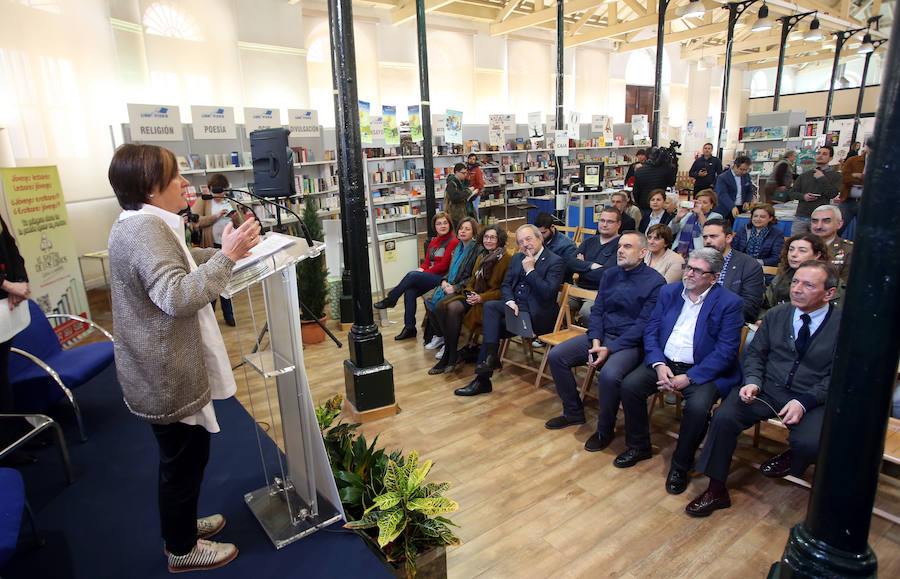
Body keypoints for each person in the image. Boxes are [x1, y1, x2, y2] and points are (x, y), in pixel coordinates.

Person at [107, 143, 260, 572]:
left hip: (158, 368)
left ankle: (182, 526)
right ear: (152, 188)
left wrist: (227, 254)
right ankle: (182, 547)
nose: (185, 184)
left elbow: (184, 260)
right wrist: (227, 256)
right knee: (183, 461)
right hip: (165, 373)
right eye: (175, 177)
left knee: (184, 459)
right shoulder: (144, 231)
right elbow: (175, 295)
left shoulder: (143, 223)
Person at [686, 261, 841, 517]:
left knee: (810, 443)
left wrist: (805, 401)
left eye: (808, 285)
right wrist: (753, 381)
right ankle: (716, 489)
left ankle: (794, 458)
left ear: (829, 293)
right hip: (767, 388)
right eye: (795, 282)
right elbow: (756, 354)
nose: (797, 289)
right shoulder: (776, 315)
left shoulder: (843, 326)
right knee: (724, 418)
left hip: (811, 396)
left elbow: (838, 376)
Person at [617, 248, 744, 495]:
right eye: (688, 267)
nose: (690, 274)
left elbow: (726, 351)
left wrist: (690, 377)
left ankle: (680, 466)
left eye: (698, 271)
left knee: (697, 410)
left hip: (702, 370)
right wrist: (658, 363)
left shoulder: (729, 303)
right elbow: (651, 331)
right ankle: (639, 446)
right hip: (665, 364)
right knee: (630, 386)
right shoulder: (669, 292)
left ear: (714, 277)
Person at [544, 232, 665, 454]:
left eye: (627, 246)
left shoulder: (656, 282)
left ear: (643, 253)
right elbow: (598, 310)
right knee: (556, 356)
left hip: (630, 343)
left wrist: (609, 348)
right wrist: (597, 340)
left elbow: (644, 326)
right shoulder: (610, 275)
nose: (620, 250)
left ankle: (604, 430)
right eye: (620, 246)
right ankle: (573, 411)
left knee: (609, 375)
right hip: (602, 336)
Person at [454, 224, 564, 396]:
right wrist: (510, 301)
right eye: (521, 242)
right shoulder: (517, 258)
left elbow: (548, 294)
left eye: (529, 239)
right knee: (490, 307)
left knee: (492, 324)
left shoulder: (555, 261)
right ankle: (490, 360)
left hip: (535, 318)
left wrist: (531, 271)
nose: (525, 244)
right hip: (515, 310)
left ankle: (483, 378)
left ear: (539, 238)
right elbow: (506, 285)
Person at [428, 226, 511, 374]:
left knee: (453, 308)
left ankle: (450, 356)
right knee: (446, 306)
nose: (488, 240)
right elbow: (473, 281)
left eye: (493, 237)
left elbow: (504, 290)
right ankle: (450, 353)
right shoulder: (482, 256)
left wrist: (481, 298)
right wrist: (470, 294)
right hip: (474, 295)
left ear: (500, 240)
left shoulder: (506, 259)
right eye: (486, 237)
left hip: (488, 301)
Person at [374, 212, 459, 340]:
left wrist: (421, 274)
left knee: (412, 275)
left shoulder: (453, 241)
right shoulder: (434, 241)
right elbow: (426, 262)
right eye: (439, 223)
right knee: (410, 291)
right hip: (430, 277)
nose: (442, 226)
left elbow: (443, 266)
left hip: (442, 279)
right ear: (434, 226)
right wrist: (421, 269)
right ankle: (410, 328)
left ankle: (391, 299)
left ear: (450, 224)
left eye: (445, 223)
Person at [192, 173, 245, 326]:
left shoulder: (229, 201)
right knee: (212, 283)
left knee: (226, 281)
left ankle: (229, 315)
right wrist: (216, 216)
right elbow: (195, 221)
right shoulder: (204, 201)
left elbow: (239, 224)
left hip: (228, 247)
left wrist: (235, 217)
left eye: (222, 190)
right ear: (209, 189)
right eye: (216, 190)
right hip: (210, 247)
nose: (220, 194)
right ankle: (211, 319)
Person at [0, 212, 32, 467]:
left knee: (3, 376)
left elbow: (10, 246)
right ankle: (8, 446)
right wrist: (7, 285)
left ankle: (17, 433)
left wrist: (20, 281)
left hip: (6, 306)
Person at [424, 217, 481, 352]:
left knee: (439, 305)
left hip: (464, 289)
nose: (463, 231)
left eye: (467, 229)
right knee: (427, 298)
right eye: (461, 228)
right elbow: (450, 271)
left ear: (473, 232)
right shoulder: (458, 248)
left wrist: (455, 287)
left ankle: (449, 342)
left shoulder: (477, 250)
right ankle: (440, 335)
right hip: (450, 284)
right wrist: (444, 281)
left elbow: (473, 277)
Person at [701, 219, 765, 322]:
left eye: (713, 236)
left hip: (726, 321)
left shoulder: (749, 265)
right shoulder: (698, 263)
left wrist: (713, 312)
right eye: (705, 237)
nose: (707, 241)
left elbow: (749, 308)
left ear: (729, 238)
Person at [765, 233, 830, 308]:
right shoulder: (782, 276)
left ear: (817, 255)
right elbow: (767, 306)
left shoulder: (828, 280)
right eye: (791, 249)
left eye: (802, 251)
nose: (793, 254)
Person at [789, 145, 842, 234]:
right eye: (818, 153)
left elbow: (832, 194)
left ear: (830, 158)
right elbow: (792, 193)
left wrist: (822, 178)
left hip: (820, 219)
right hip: (802, 216)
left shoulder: (836, 176)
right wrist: (804, 196)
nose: (820, 156)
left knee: (818, 245)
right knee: (797, 243)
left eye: (824, 154)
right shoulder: (805, 175)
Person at [568, 208, 621, 291]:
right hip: (578, 287)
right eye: (602, 220)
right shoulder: (589, 241)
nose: (604, 224)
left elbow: (605, 274)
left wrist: (581, 268)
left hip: (601, 292)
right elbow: (570, 263)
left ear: (619, 224)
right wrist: (591, 266)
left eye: (610, 221)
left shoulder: (621, 245)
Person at [810, 205, 852, 306]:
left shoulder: (849, 251)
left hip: (832, 305)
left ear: (839, 224)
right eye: (815, 221)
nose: (819, 226)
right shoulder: (801, 247)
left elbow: (847, 289)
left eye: (826, 221)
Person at [731, 203, 785, 270]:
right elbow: (733, 249)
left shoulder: (777, 234)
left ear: (770, 218)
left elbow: (776, 258)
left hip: (764, 269)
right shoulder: (743, 230)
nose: (758, 219)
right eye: (755, 216)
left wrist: (755, 262)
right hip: (741, 266)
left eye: (762, 217)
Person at [670, 189, 722, 257]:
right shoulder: (688, 215)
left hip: (700, 253)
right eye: (699, 202)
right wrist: (678, 217)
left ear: (712, 205)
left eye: (704, 202)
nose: (701, 205)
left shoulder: (716, 216)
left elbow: (709, 231)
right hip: (678, 251)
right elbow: (671, 232)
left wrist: (700, 213)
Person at [839, 136, 872, 235]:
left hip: (867, 203)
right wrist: (867, 180)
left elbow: (880, 183)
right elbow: (845, 178)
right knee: (837, 229)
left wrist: (861, 176)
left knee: (864, 233)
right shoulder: (853, 160)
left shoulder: (881, 164)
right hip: (848, 200)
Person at [465, 153, 485, 220]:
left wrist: (476, 192)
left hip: (475, 195)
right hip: (467, 193)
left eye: (473, 159)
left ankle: (476, 226)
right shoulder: (465, 170)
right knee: (468, 212)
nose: (471, 160)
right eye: (470, 158)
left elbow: (481, 184)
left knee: (474, 211)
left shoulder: (477, 170)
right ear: (468, 159)